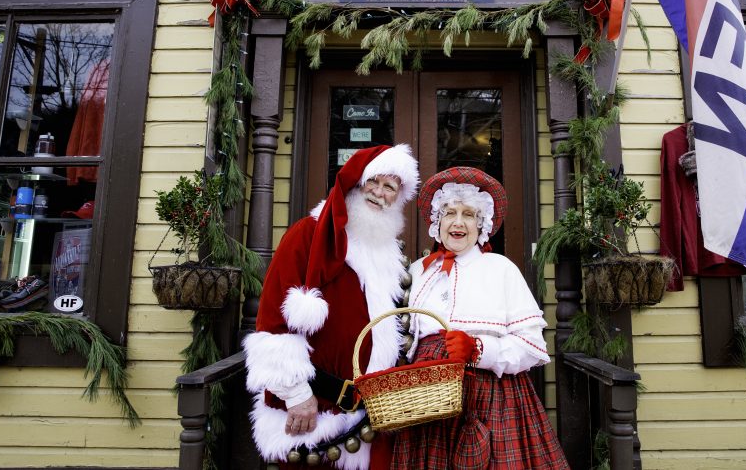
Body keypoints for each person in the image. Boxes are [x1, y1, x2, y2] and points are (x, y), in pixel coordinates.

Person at [243, 144, 420, 469]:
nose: (379, 193)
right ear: (356, 182)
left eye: (390, 187)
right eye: (374, 182)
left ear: (399, 198)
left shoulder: (391, 256)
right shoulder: (308, 234)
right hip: (313, 410)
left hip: (368, 419)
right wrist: (295, 395)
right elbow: (271, 323)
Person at [391, 167, 569, 469]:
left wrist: (479, 350)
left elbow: (531, 346)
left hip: (490, 399)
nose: (458, 223)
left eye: (469, 214)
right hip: (426, 402)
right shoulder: (418, 270)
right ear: (437, 222)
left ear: (482, 224)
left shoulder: (500, 269)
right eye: (449, 213)